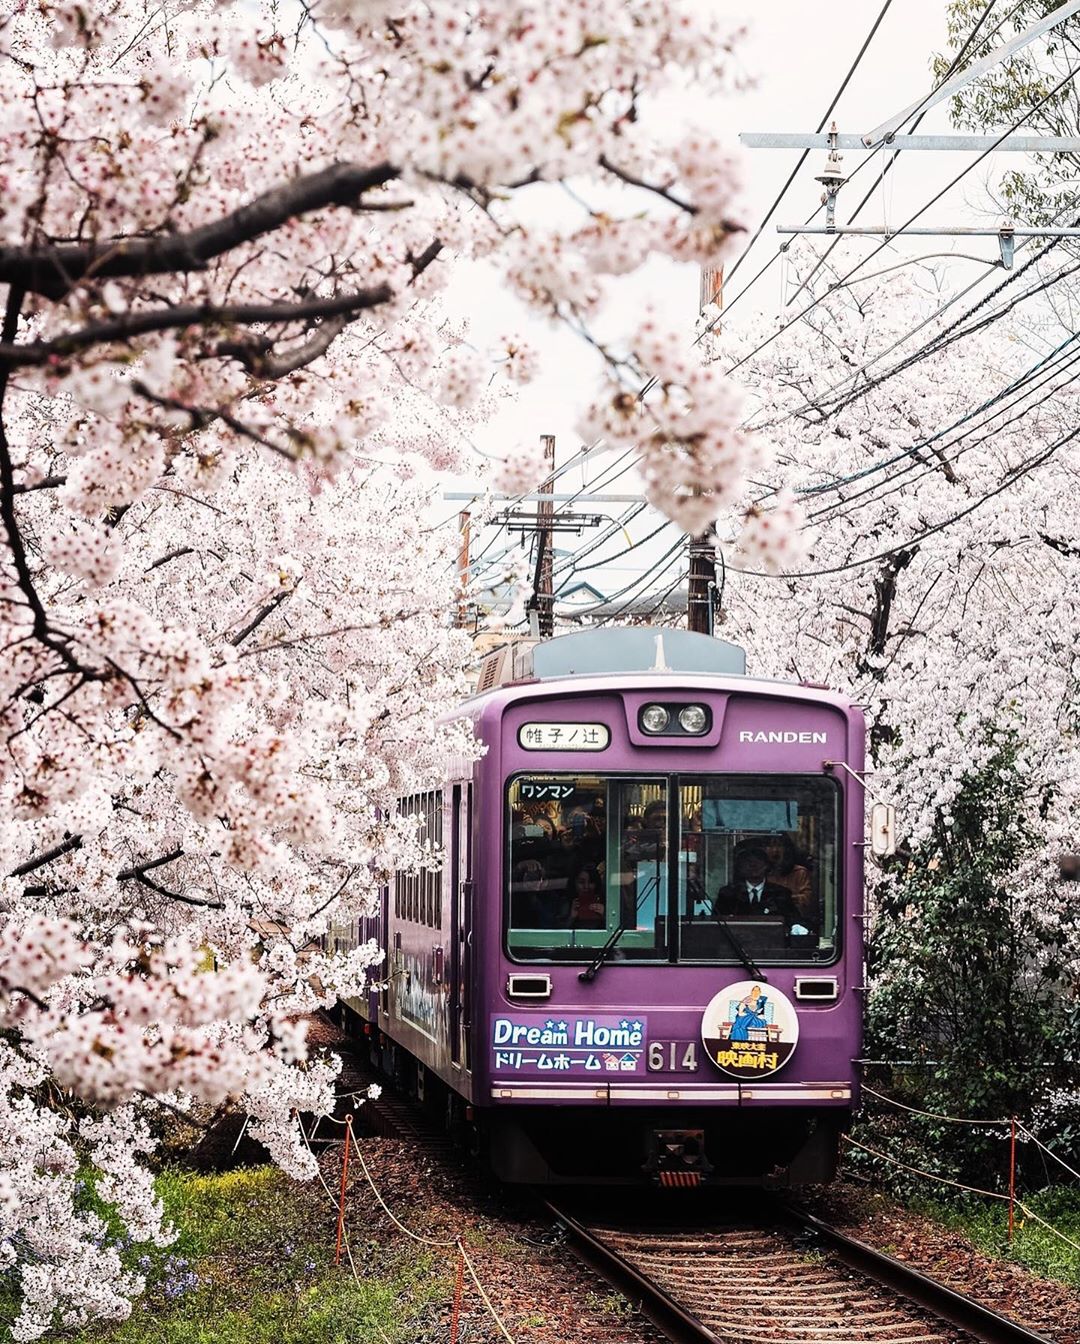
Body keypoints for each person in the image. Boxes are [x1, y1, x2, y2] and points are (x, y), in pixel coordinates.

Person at [713, 844, 805, 929]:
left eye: (758, 861)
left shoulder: (781, 894)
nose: (753, 865)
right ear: (740, 867)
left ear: (767, 866)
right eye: (748, 861)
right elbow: (716, 926)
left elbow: (795, 923)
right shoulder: (728, 894)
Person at [763, 833, 814, 921]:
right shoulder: (760, 873)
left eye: (779, 846)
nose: (775, 850)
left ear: (787, 849)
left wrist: (787, 899)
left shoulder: (799, 873)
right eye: (770, 846)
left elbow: (807, 900)